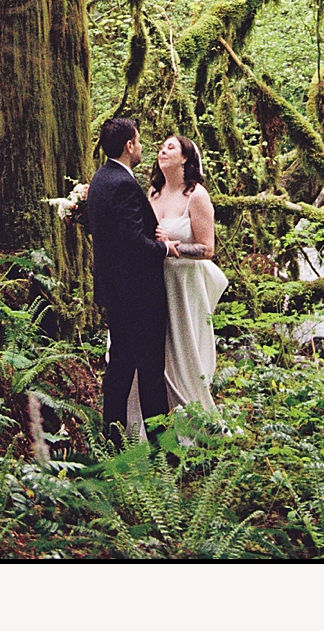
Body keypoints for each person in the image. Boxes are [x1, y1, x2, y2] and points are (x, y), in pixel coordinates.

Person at [81, 114, 174, 445]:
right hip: (138, 293)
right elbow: (132, 241)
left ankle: (113, 440)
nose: (141, 146)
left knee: (120, 366)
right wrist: (163, 248)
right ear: (128, 145)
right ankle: (165, 449)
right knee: (149, 371)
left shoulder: (100, 179)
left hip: (114, 290)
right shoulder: (121, 184)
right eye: (138, 140)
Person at [145, 133, 229, 420]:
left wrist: (171, 246)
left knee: (185, 350)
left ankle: (193, 415)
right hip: (155, 282)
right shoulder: (152, 194)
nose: (162, 151)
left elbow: (207, 249)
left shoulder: (196, 195)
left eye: (171, 147)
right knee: (158, 350)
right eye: (161, 147)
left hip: (185, 285)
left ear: (185, 158)